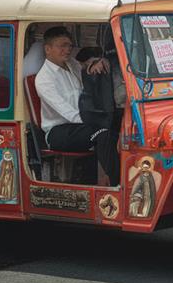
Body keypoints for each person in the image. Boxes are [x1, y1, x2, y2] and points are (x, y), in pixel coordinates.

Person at [35, 26, 119, 185]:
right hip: (59, 131)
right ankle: (117, 185)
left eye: (69, 46)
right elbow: (68, 113)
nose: (67, 50)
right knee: (102, 132)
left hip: (81, 123)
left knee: (119, 124)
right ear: (48, 49)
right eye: (62, 46)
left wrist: (95, 63)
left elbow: (86, 64)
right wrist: (96, 120)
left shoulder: (71, 64)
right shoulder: (44, 79)